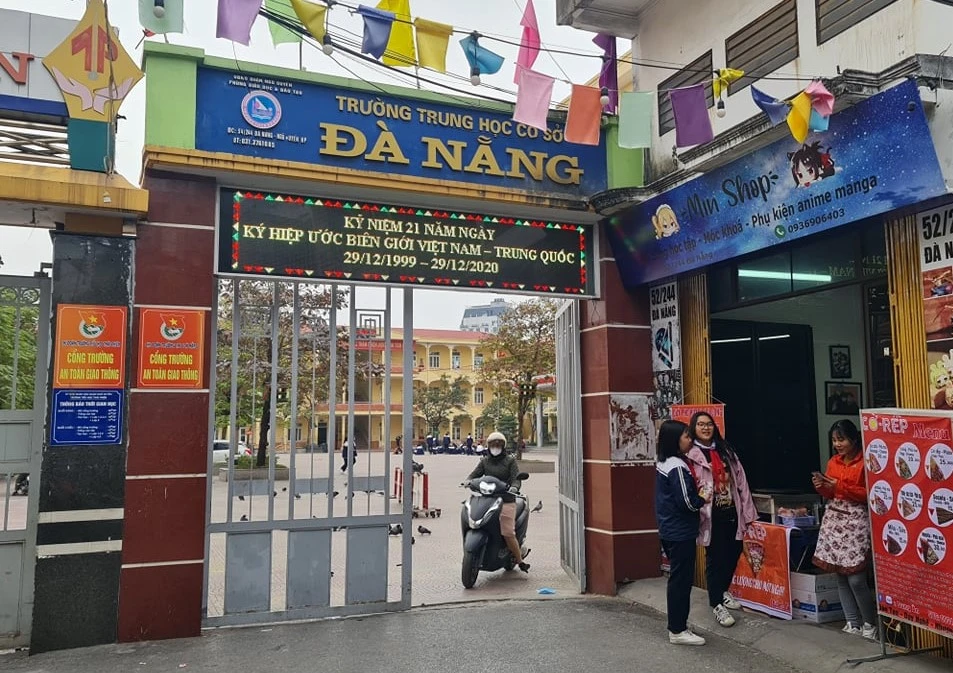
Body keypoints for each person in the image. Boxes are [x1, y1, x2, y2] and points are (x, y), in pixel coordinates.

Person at [685, 412, 758, 628]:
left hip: (732, 510)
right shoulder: (691, 454)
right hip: (709, 513)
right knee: (715, 558)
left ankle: (723, 590)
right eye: (700, 425)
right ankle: (716, 603)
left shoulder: (726, 450)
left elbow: (741, 480)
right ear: (694, 428)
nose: (705, 428)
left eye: (709, 424)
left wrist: (748, 512)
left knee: (734, 551)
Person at [812, 419, 878, 640]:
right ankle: (852, 622)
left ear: (854, 439)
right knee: (840, 575)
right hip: (835, 521)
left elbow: (869, 494)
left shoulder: (865, 462)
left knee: (856, 577)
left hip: (857, 522)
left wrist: (839, 486)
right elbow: (831, 494)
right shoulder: (833, 462)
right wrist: (822, 487)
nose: (837, 444)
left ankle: (870, 623)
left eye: (841, 440)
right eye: (834, 440)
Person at [656, 420, 710, 646]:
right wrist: (702, 499)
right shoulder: (677, 466)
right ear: (674, 441)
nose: (690, 440)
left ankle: (678, 625)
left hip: (670, 529)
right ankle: (677, 629)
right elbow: (687, 502)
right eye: (686, 436)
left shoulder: (664, 462)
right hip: (680, 532)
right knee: (681, 581)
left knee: (678, 579)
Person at [466, 431, 530, 572]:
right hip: (488, 498)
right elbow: (474, 475)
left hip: (506, 499)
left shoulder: (510, 461)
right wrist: (468, 481)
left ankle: (520, 560)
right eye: (493, 444)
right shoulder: (485, 461)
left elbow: (516, 478)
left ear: (503, 446)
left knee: (507, 532)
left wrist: (514, 487)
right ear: (488, 446)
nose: (495, 446)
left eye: (498, 444)